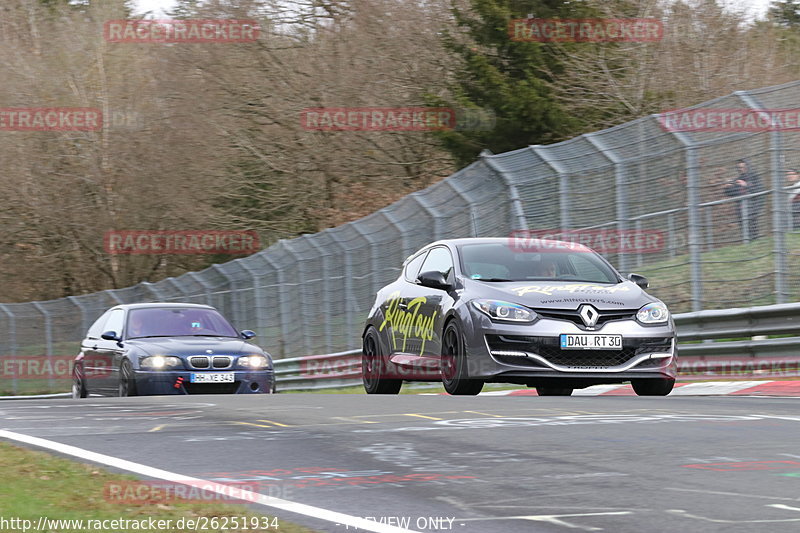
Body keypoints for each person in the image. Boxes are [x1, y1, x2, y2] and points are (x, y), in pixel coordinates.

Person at [722, 159, 764, 240]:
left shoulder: (754, 177)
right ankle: (747, 244)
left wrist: (746, 185)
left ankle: (754, 242)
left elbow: (758, 190)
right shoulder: (738, 179)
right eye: (740, 167)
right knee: (744, 230)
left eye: (743, 167)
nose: (742, 169)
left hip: (752, 207)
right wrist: (727, 187)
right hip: (741, 209)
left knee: (752, 227)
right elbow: (730, 193)